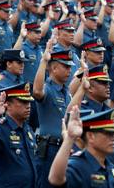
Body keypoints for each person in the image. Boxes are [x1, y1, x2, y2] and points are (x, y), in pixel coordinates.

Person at [33, 39, 75, 188]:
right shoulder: (48, 89)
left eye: (70, 67)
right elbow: (37, 91)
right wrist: (44, 61)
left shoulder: (65, 91)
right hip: (49, 150)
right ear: (55, 68)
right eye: (66, 67)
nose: (70, 70)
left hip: (64, 149)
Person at [48, 106, 114, 188]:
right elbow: (55, 179)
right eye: (108, 134)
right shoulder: (78, 165)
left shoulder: (111, 167)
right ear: (90, 136)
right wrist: (70, 138)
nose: (113, 138)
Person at [0, 82, 37, 187]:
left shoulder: (28, 130)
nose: (28, 106)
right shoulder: (0, 128)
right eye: (23, 102)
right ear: (8, 105)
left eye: (29, 102)